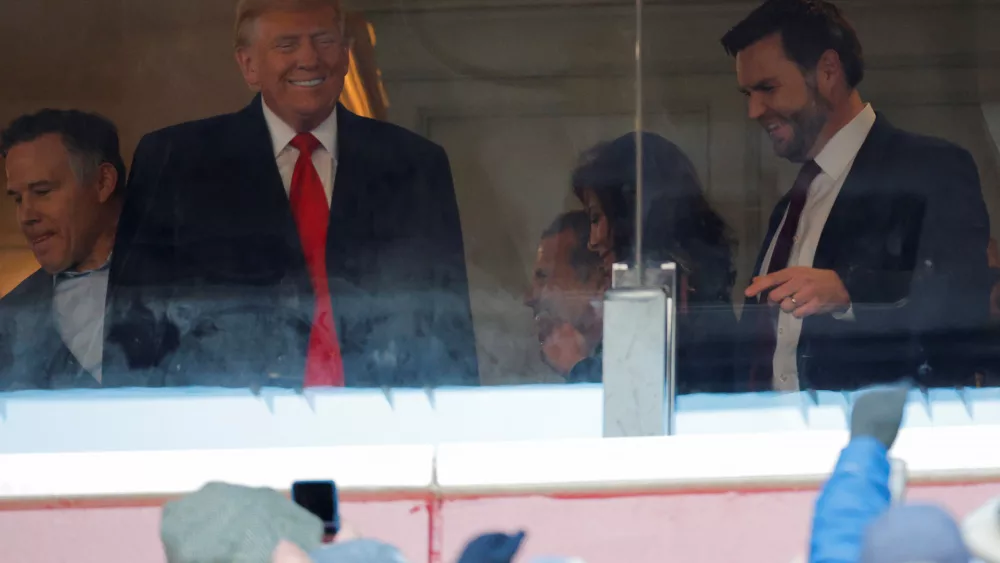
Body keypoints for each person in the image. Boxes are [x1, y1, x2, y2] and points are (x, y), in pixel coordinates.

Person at [106, 0, 478, 388]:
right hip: (223, 431)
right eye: (286, 44)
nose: (309, 58)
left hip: (381, 427)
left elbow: (449, 328)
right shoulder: (176, 161)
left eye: (323, 40)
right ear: (248, 65)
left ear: (347, 54)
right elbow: (131, 332)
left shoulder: (415, 165)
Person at [723, 0, 990, 391]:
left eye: (767, 88)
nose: (753, 110)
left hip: (880, 440)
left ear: (828, 71)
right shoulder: (792, 204)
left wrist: (850, 293)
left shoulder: (933, 169)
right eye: (747, 92)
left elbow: (959, 319)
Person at [572, 131, 737, 393]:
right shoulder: (695, 289)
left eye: (596, 218)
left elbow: (634, 399)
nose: (593, 241)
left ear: (630, 218)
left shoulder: (665, 294)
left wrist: (576, 365)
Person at [0, 109, 126, 390]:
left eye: (42, 191)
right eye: (18, 199)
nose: (26, 215)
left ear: (102, 182)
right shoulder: (8, 319)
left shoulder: (193, 283)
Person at [523, 212, 605, 383]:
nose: (529, 298)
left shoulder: (633, 353)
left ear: (594, 280)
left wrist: (577, 366)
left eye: (543, 276)